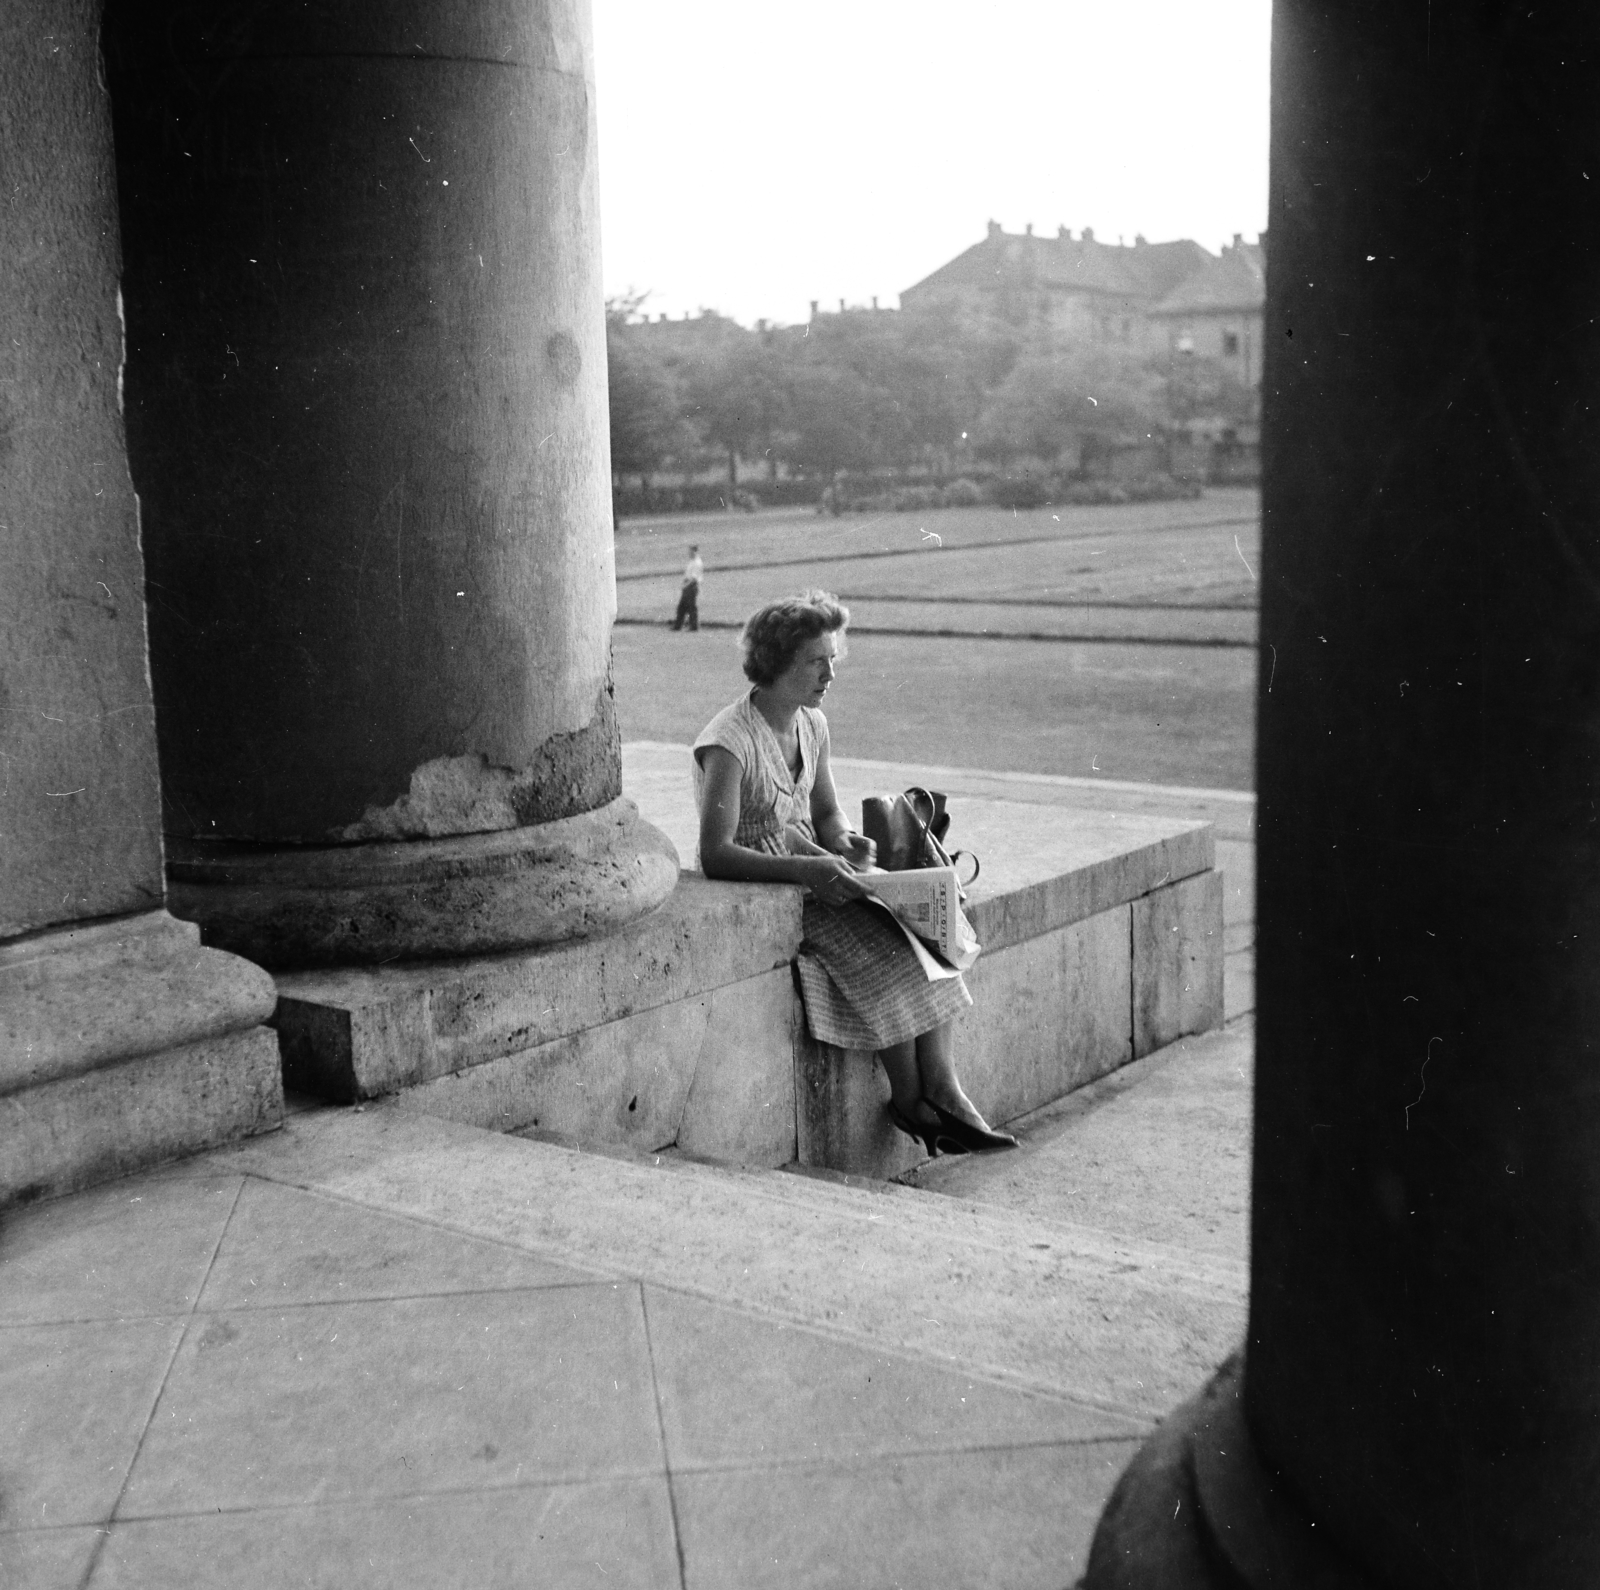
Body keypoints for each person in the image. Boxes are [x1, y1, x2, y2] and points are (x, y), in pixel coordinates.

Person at [693, 589, 1016, 1154]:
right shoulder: (729, 741)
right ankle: (917, 1101)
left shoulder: (810, 725)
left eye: (832, 660)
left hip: (821, 872)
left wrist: (845, 840)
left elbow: (824, 813)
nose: (829, 675)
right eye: (817, 661)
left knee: (927, 933)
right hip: (777, 884)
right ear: (776, 663)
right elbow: (714, 854)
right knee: (887, 948)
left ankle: (941, 1091)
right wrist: (808, 869)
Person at [670, 544, 703, 631]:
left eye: (690, 551)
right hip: (688, 586)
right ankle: (678, 626)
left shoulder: (697, 563)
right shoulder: (692, 561)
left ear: (695, 551)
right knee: (682, 607)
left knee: (691, 607)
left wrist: (684, 585)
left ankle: (693, 626)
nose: (689, 553)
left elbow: (694, 579)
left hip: (691, 586)